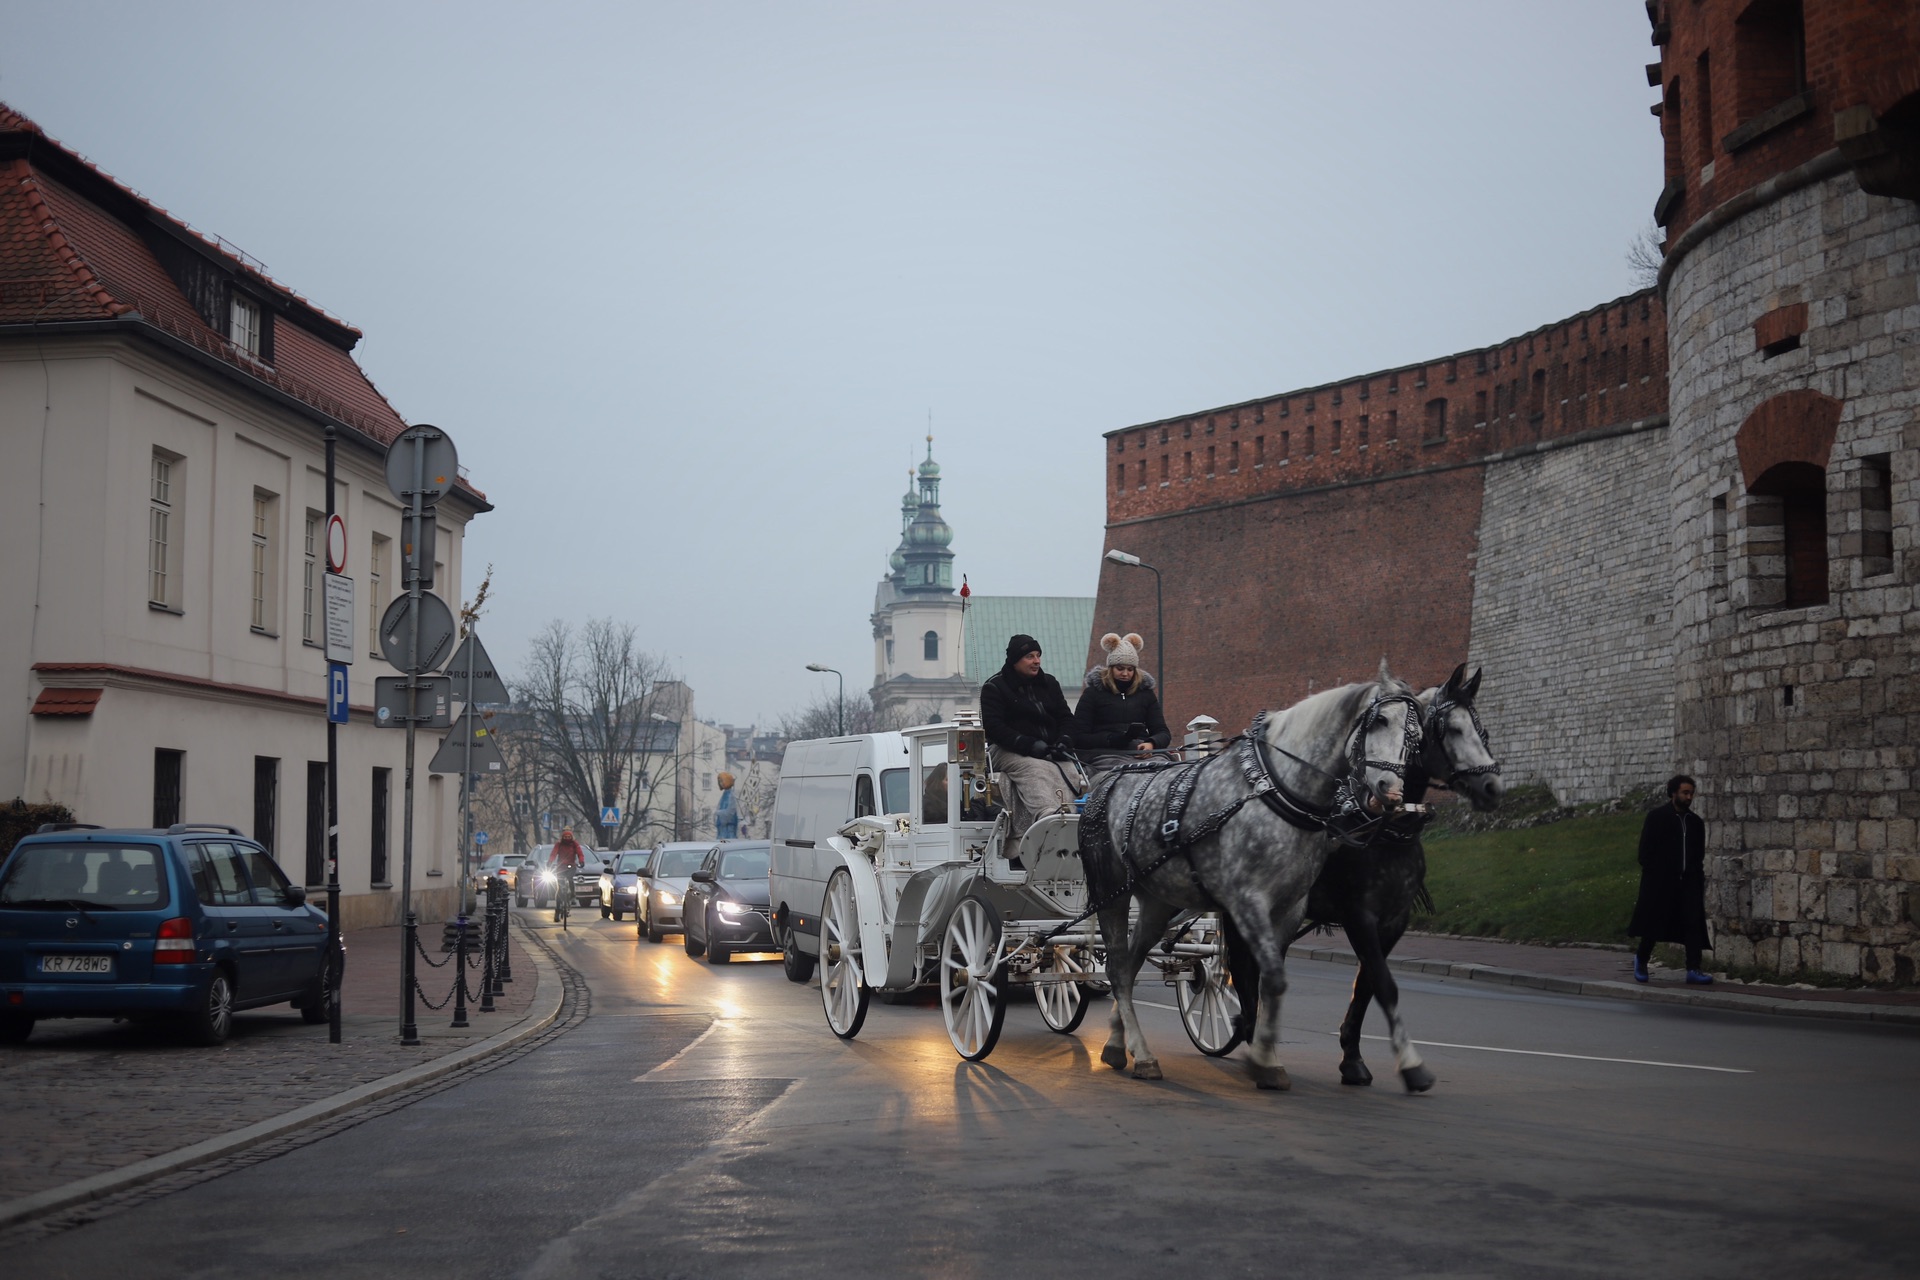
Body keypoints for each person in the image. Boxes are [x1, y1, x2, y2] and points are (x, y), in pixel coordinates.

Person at [980, 634, 1086, 844]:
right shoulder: (994, 687)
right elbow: (994, 728)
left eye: (1038, 656)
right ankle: (1049, 820)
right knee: (1035, 770)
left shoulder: (1050, 684)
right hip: (1008, 750)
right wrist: (1026, 744)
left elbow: (1066, 717)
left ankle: (1076, 819)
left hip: (1050, 749)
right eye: (1030, 656)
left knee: (1072, 773)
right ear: (1015, 660)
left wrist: (1064, 740)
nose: (1037, 661)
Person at [1628, 775, 1712, 984]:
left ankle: (1693, 968)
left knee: (1692, 924)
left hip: (1689, 882)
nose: (1688, 797)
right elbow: (1644, 852)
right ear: (1673, 793)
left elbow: (1698, 855)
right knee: (1654, 923)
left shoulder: (1695, 822)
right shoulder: (1657, 817)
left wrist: (1696, 877)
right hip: (1661, 882)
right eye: (1685, 792)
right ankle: (1641, 958)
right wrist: (1657, 875)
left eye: (1691, 793)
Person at [1071, 631, 1171, 773]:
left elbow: (1162, 731)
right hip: (1104, 755)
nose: (1125, 674)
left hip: (1142, 754)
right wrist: (1110, 739)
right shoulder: (1092, 694)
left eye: (1130, 669)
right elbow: (1079, 736)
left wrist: (1151, 743)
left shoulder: (1146, 694)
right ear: (1110, 668)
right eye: (1120, 668)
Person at [549, 827, 587, 916]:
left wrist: (581, 861)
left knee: (570, 879)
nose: (567, 839)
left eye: (568, 837)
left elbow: (580, 853)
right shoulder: (559, 844)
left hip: (571, 865)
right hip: (560, 867)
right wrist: (550, 862)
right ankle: (558, 908)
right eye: (565, 837)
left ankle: (573, 896)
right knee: (559, 887)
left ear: (571, 837)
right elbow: (553, 854)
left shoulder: (574, 844)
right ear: (562, 837)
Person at [715, 772, 740, 839]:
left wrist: (718, 813)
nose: (720, 783)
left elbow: (730, 812)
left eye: (721, 781)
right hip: (722, 829)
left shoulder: (731, 796)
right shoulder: (725, 795)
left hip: (729, 829)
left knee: (726, 845)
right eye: (719, 782)